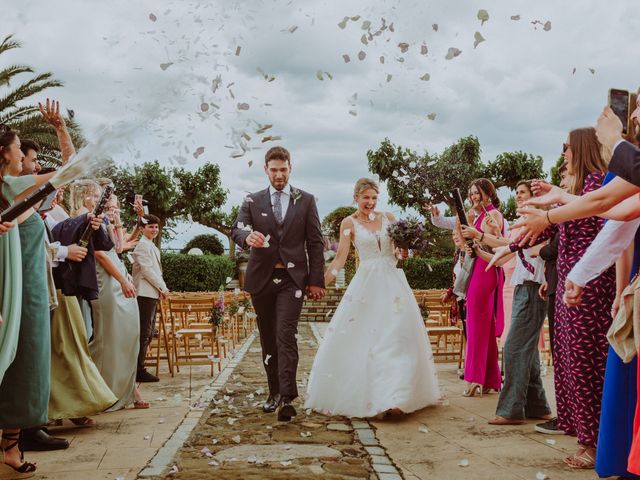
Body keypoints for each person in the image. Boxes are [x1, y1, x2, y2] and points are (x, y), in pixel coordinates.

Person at [493, 127, 613, 469]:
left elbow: (598, 217)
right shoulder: (576, 189)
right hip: (566, 283)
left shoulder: (597, 183)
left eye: (566, 147)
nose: (563, 153)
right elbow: (539, 229)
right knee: (566, 361)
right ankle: (580, 431)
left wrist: (556, 196)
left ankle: (594, 442)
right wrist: (509, 249)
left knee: (586, 362)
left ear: (581, 148)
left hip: (590, 284)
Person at [305, 178, 440, 417]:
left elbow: (400, 253)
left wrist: (405, 252)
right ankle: (378, 397)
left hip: (394, 284)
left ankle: (397, 398)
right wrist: (318, 283)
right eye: (365, 197)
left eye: (374, 198)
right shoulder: (349, 223)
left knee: (397, 339)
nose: (370, 202)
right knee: (371, 341)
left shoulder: (389, 218)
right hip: (366, 286)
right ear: (356, 198)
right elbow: (340, 259)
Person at [231, 146, 325, 422]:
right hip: (261, 280)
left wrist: (316, 280)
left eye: (283, 169)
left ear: (290, 168)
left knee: (286, 333)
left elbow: (315, 242)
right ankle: (273, 392)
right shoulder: (252, 200)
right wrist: (246, 239)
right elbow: (237, 228)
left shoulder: (306, 200)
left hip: (291, 280)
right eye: (274, 170)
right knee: (268, 337)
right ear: (266, 170)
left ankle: (287, 397)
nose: (279, 174)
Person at [0, 120, 69, 476]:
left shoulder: (16, 188)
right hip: (5, 290)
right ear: (6, 154)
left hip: (30, 292)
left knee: (26, 366)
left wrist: (61, 130)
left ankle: (11, 447)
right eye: (15, 149)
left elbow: (68, 172)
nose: (20, 155)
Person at [464, 181, 552, 425]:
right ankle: (538, 407)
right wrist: (479, 250)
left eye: (522, 193)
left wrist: (481, 235)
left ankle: (510, 410)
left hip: (533, 286)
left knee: (514, 347)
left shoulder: (539, 221)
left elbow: (516, 246)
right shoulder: (522, 221)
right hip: (521, 285)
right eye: (516, 193)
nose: (518, 197)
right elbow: (506, 255)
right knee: (528, 351)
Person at [90, 190, 148, 410]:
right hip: (108, 281)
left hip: (118, 277)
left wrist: (121, 220)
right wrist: (123, 281)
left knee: (126, 336)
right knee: (110, 338)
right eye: (112, 200)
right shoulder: (91, 219)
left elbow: (120, 246)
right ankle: (103, 389)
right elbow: (100, 254)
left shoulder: (106, 220)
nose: (115, 204)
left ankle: (127, 386)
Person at [459, 178, 504, 397]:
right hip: (480, 267)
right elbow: (479, 245)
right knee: (484, 326)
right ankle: (491, 379)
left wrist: (478, 244)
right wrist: (471, 249)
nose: (473, 196)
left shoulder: (492, 215)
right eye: (471, 193)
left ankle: (474, 378)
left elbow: (497, 244)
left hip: (485, 271)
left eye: (477, 193)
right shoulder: (479, 216)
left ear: (487, 193)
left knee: (475, 325)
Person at [132, 213, 167, 383]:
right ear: (141, 229)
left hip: (151, 293)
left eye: (156, 227)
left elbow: (155, 271)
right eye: (150, 227)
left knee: (148, 332)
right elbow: (147, 271)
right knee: (143, 332)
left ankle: (140, 366)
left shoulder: (151, 246)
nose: (154, 230)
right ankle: (138, 369)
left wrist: (160, 289)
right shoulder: (142, 246)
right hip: (143, 294)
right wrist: (163, 287)